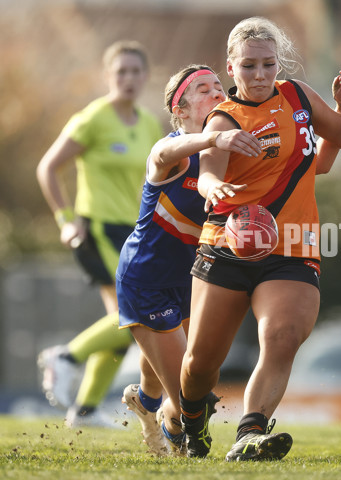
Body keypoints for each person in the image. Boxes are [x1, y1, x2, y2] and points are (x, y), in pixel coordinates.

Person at [179, 16, 341, 462]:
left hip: (293, 244)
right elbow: (208, 172)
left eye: (268, 64)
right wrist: (214, 189)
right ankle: (192, 417)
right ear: (231, 68)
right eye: (249, 66)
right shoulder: (222, 119)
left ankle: (250, 432)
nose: (260, 74)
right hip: (228, 245)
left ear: (278, 64)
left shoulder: (298, 96)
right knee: (199, 365)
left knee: (285, 335)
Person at [118, 62, 341, 456]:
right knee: (195, 400)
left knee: (197, 374)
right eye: (203, 90)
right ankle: (168, 424)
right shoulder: (177, 150)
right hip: (148, 279)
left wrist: (340, 116)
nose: (217, 94)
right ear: (181, 109)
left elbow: (316, 163)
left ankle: (147, 399)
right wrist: (212, 142)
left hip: (193, 276)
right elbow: (163, 150)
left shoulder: (240, 141)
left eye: (217, 86)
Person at [36, 40, 163, 428]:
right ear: (108, 76)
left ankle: (85, 411)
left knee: (127, 328)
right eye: (120, 71)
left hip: (135, 233)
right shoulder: (92, 118)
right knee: (133, 317)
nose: (128, 78)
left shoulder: (148, 124)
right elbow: (48, 168)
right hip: (100, 229)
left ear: (145, 76)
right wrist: (65, 219)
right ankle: (66, 357)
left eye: (135, 71)